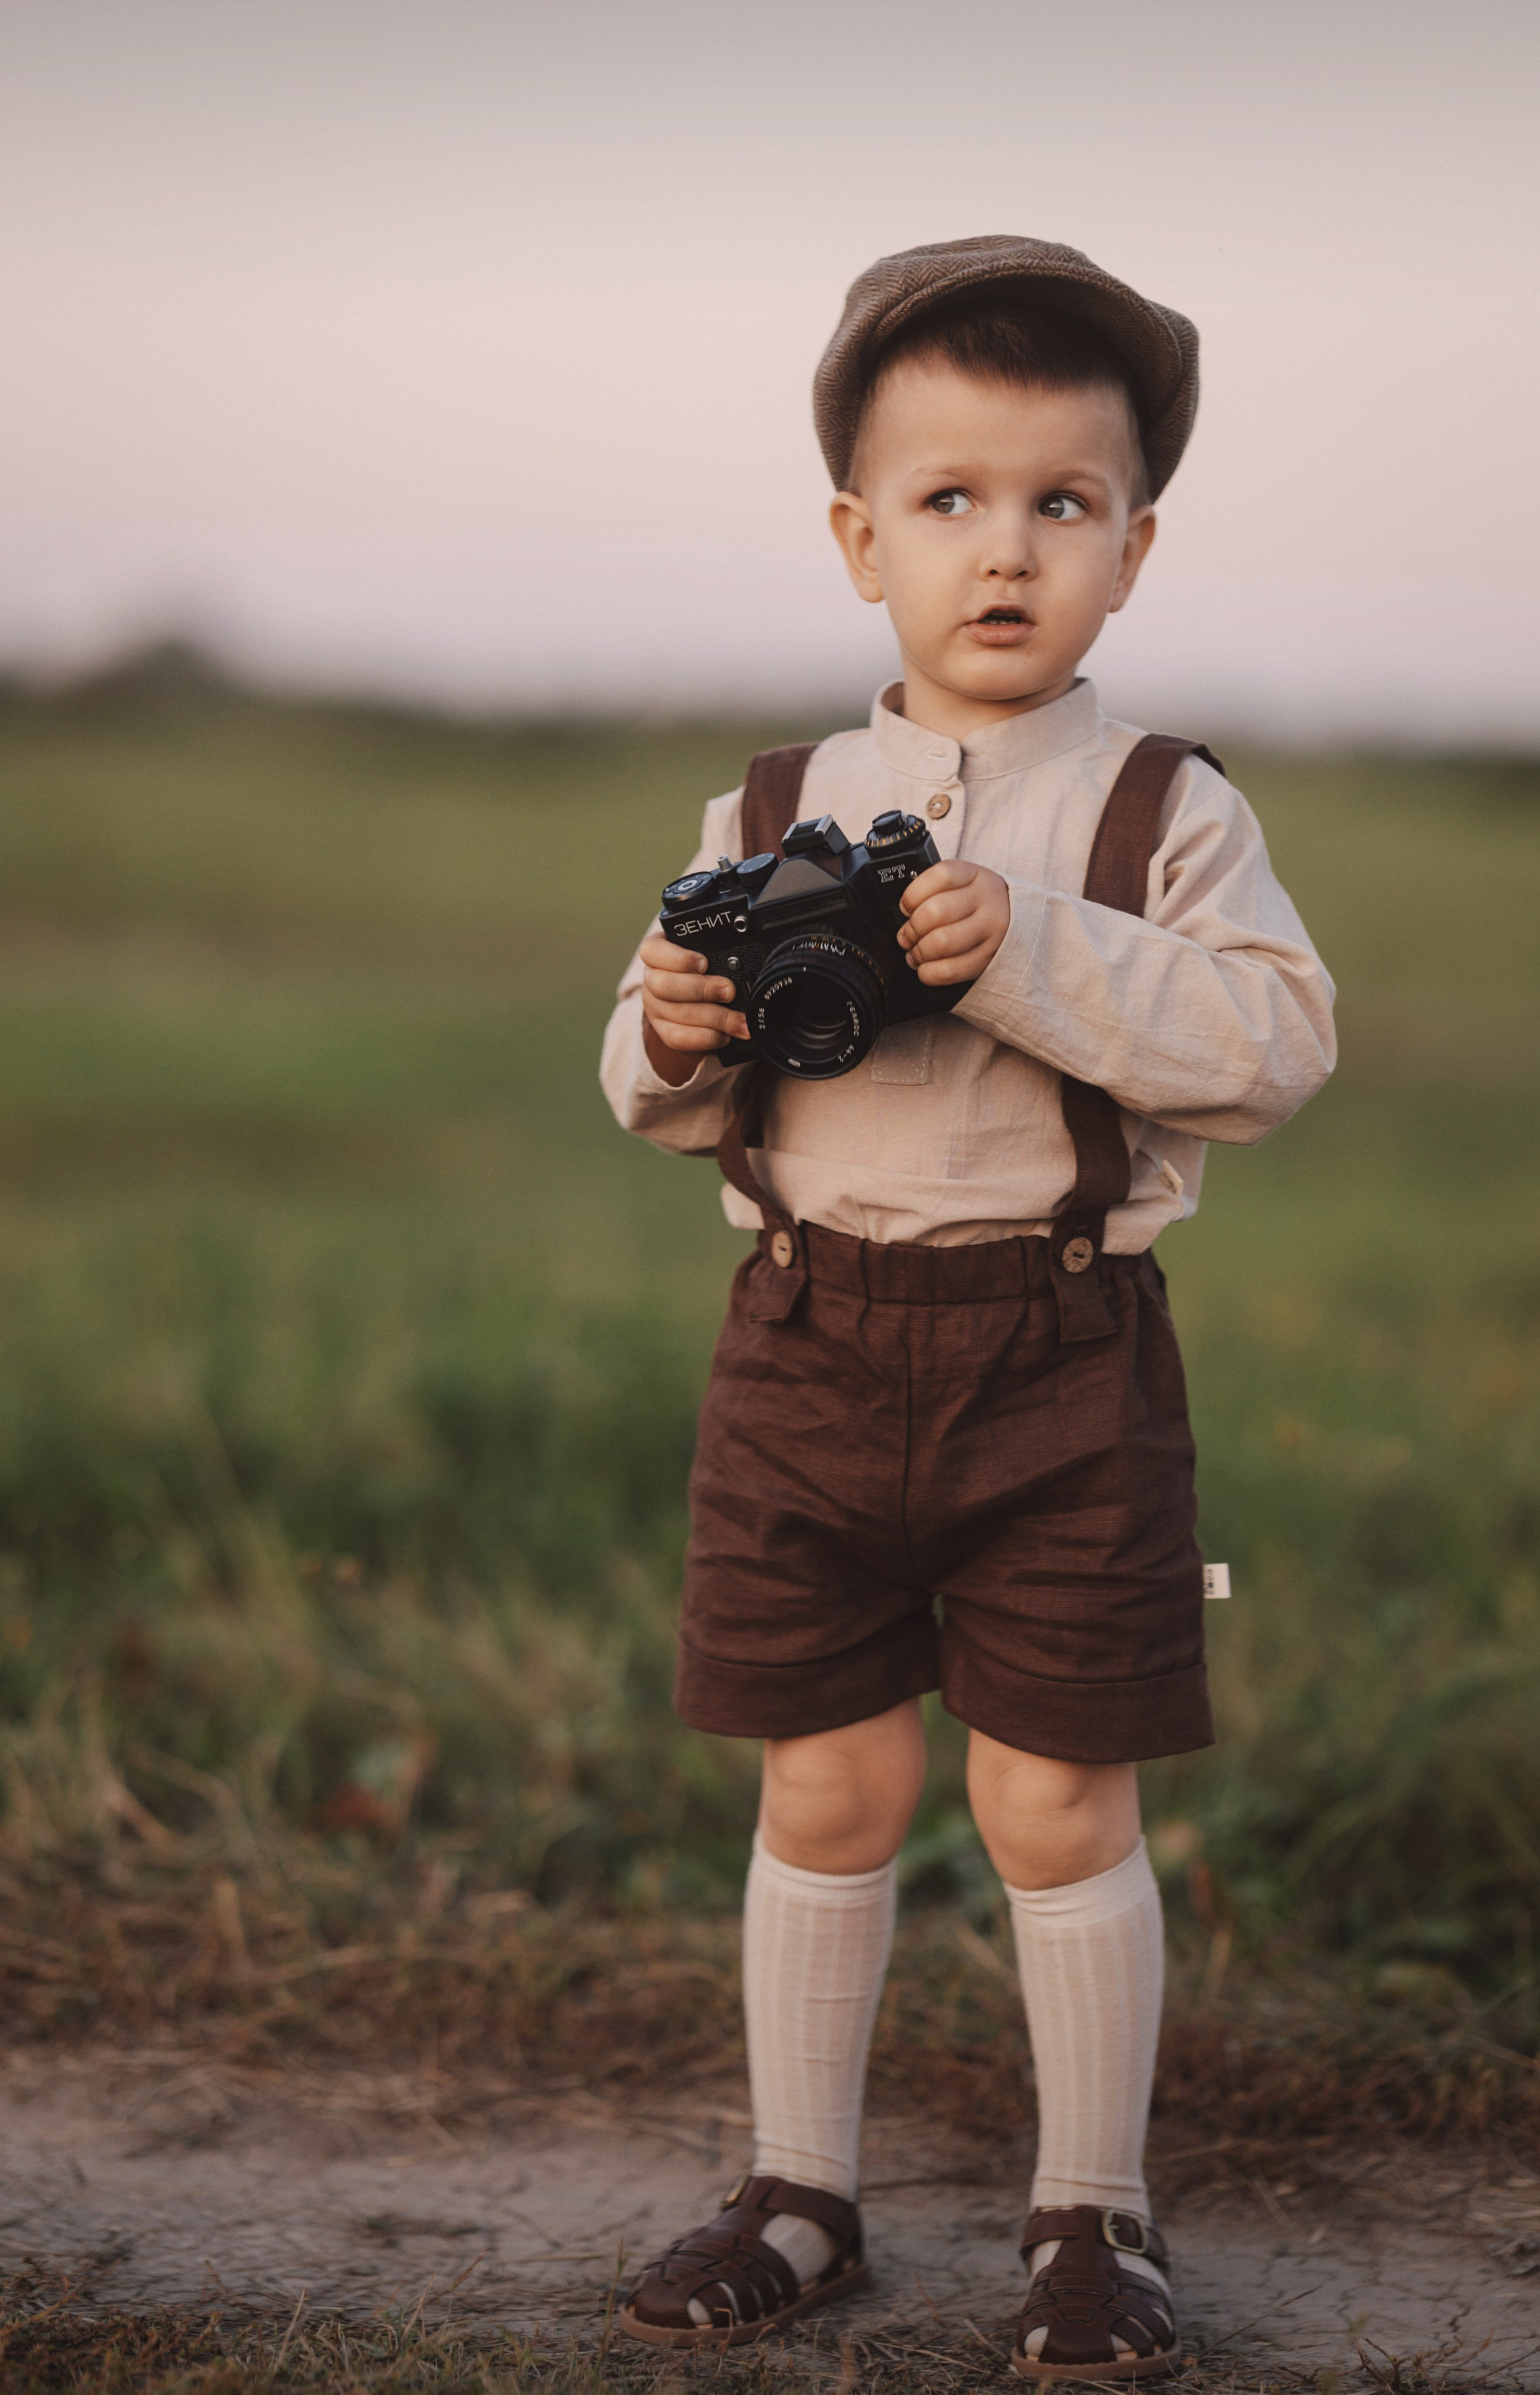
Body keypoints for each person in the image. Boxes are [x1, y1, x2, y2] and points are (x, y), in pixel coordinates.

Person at [599, 235, 1335, 2382]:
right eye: (946, 499)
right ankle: (797, 2189)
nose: (1001, 552)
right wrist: (669, 1023)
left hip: (1061, 1355)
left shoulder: (1162, 807)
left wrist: (1011, 940)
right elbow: (652, 1102)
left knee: (1053, 1803)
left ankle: (1090, 2214)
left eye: (1060, 504)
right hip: (807, 1342)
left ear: (1133, 548)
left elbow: (1275, 1051)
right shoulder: (764, 808)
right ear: (858, 537)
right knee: (822, 1788)